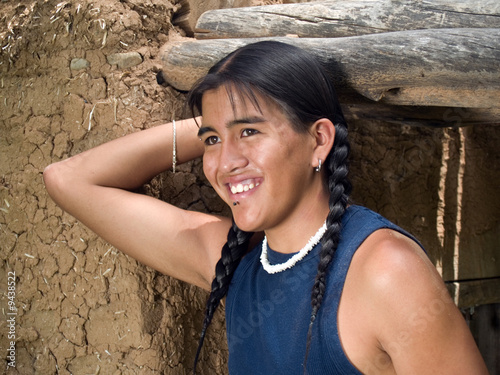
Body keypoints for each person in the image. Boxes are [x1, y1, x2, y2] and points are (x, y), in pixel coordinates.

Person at [43, 41, 488, 374]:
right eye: (213, 141)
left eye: (251, 132)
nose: (223, 163)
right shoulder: (235, 261)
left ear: (318, 140)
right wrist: (214, 121)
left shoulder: (385, 272)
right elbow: (69, 180)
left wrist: (224, 121)